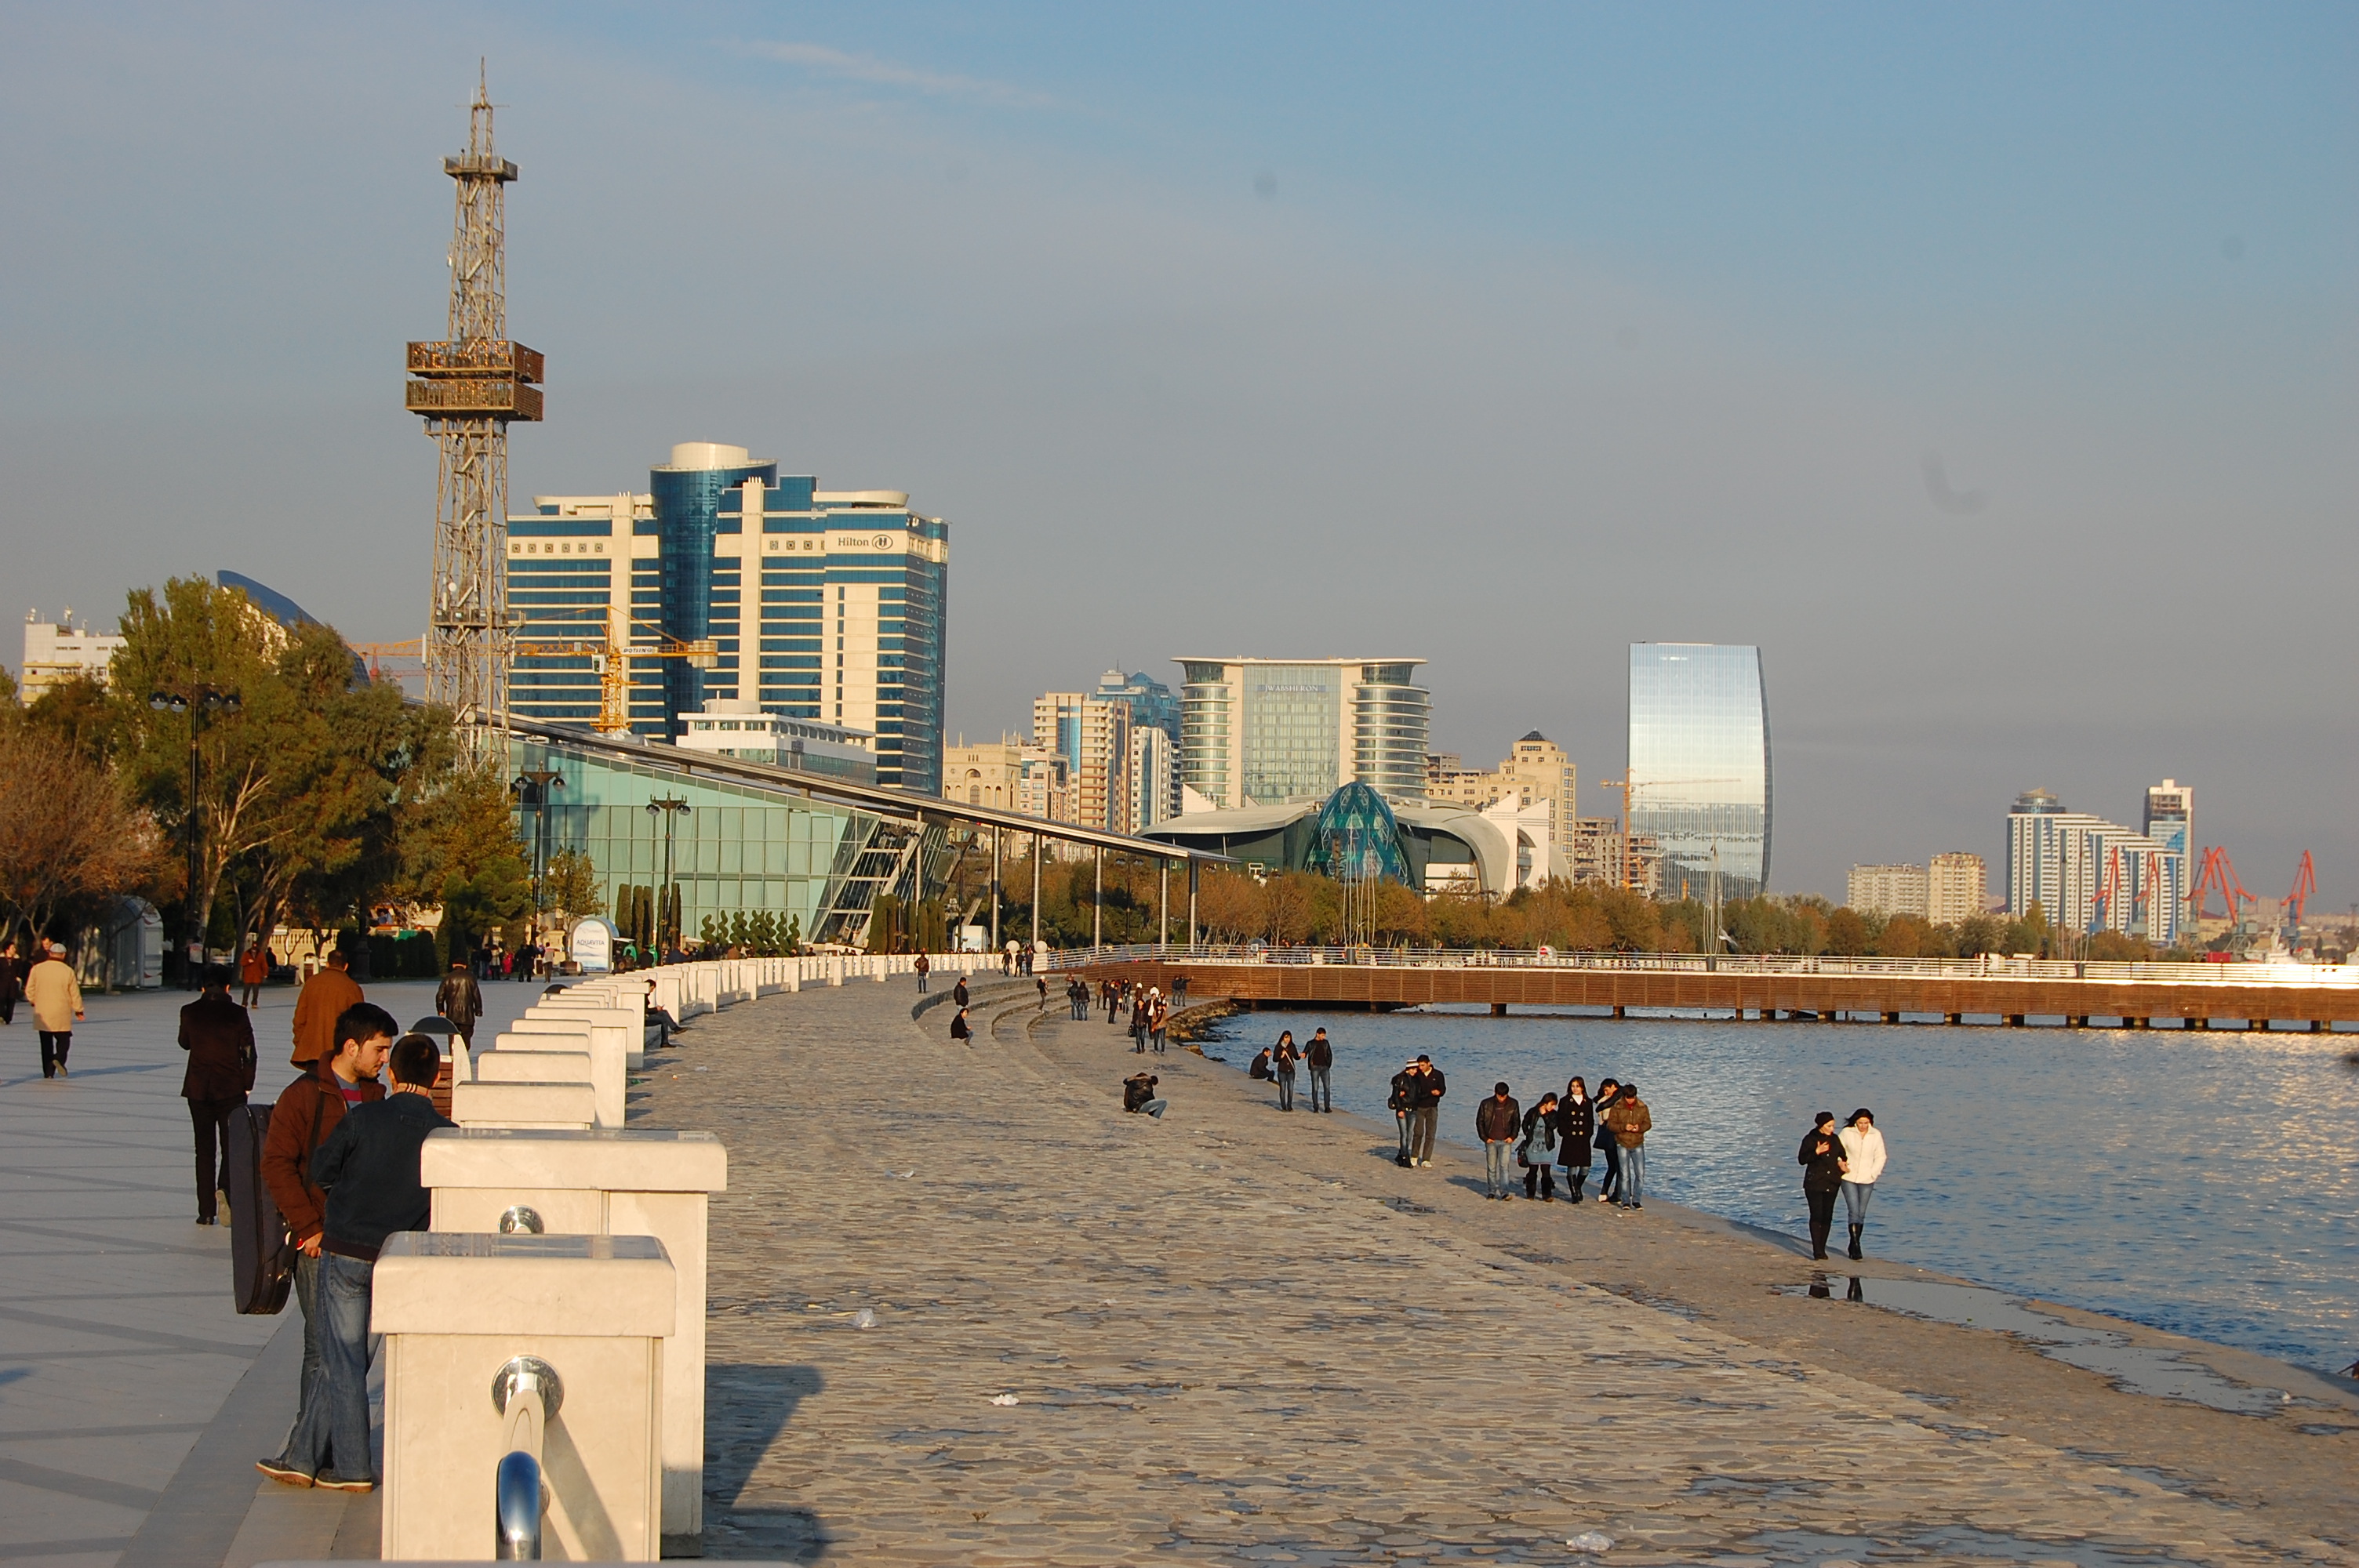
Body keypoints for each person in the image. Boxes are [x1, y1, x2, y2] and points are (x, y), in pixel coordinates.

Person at [274, 1032, 453, 1493]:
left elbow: (320, 1170)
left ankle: (350, 1467)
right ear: (435, 1078)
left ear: (392, 1073)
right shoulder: (447, 1136)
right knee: (351, 1360)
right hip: (399, 1257)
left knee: (342, 1359)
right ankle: (300, 1456)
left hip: (348, 1249)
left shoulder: (363, 1118)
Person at [256, 1001, 394, 1490]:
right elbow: (276, 1164)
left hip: (363, 1240)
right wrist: (309, 1227)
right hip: (320, 1241)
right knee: (322, 1347)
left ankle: (317, 1449)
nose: (384, 1059)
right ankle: (314, 1448)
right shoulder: (304, 1095)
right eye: (379, 1049)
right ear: (351, 1046)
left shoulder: (378, 1094)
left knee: (351, 1349)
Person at [179, 966, 256, 1225]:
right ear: (227, 987)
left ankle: (205, 1210)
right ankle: (225, 1192)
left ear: (203, 987)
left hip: (198, 1088)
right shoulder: (238, 1014)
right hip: (231, 1088)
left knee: (204, 1149)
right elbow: (248, 1052)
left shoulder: (189, 1012)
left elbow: (184, 1042)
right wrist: (247, 1083)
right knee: (231, 1146)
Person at [289, 947, 363, 1069]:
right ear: (346, 966)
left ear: (327, 964)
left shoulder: (312, 983)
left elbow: (300, 1018)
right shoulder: (352, 987)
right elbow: (359, 1023)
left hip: (312, 1051)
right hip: (338, 1053)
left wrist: (300, 1042)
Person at [26, 941, 84, 1079]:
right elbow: (74, 992)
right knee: (64, 1038)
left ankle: (48, 1073)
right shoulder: (68, 971)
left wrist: (34, 1001)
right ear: (63, 955)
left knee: (46, 1043)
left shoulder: (37, 969)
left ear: (50, 954)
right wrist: (79, 1010)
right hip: (61, 1010)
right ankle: (58, 1058)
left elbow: (29, 989)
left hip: (43, 1011)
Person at [1837, 1108, 1888, 1260]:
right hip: (1848, 1176)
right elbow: (1838, 1151)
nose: (1863, 1126)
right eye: (1861, 1123)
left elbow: (1881, 1156)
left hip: (1867, 1178)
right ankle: (1856, 1246)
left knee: (1861, 1213)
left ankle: (1855, 1242)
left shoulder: (1876, 1135)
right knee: (1853, 1211)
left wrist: (1874, 1173)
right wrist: (1841, 1164)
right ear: (1855, 1122)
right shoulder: (1847, 1133)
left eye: (1866, 1123)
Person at [1798, 1111, 1848, 1260]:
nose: (1832, 1129)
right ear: (1821, 1125)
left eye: (1833, 1126)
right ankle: (1817, 1249)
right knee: (1817, 1214)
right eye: (1829, 1126)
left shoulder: (1835, 1139)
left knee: (1827, 1216)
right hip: (1814, 1182)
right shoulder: (1810, 1139)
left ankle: (1822, 1247)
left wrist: (1841, 1163)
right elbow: (1802, 1159)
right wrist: (1817, 1152)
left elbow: (1842, 1154)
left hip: (1832, 1182)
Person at [1603, 1080, 1652, 1208]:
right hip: (1622, 1143)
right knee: (1625, 1174)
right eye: (1628, 1098)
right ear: (1624, 1097)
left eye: (1632, 1097)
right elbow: (1611, 1125)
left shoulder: (1642, 1107)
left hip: (1638, 1143)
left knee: (1640, 1174)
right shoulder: (1617, 1107)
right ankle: (1625, 1200)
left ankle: (1636, 1199)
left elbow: (1648, 1124)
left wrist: (1639, 1128)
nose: (1630, 1100)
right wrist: (1624, 1127)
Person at [1477, 1081, 1521, 1198]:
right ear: (1495, 1093)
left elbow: (1517, 1122)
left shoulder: (1513, 1104)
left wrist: (1513, 1136)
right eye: (1499, 1096)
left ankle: (1504, 1192)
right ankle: (1491, 1191)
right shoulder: (1486, 1104)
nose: (1501, 1098)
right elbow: (1479, 1122)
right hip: (1491, 1140)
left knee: (1504, 1167)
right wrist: (1485, 1138)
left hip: (1506, 1140)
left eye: (1504, 1096)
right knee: (1491, 1167)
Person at [1556, 1076, 1596, 1203]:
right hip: (1570, 1137)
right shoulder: (1565, 1101)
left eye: (1577, 1086)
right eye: (1573, 1086)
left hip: (1583, 1138)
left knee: (1585, 1168)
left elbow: (1590, 1120)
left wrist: (1589, 1133)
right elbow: (1561, 1119)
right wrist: (1564, 1132)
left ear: (1582, 1087)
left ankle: (1577, 1187)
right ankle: (1574, 1194)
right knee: (1572, 1166)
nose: (1575, 1089)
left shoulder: (1588, 1102)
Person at [1405, 1054, 1446, 1167]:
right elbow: (1416, 1092)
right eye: (1419, 1065)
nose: (1421, 1068)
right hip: (1419, 1107)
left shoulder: (1438, 1075)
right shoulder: (1417, 1075)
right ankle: (1414, 1156)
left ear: (1429, 1063)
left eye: (1423, 1065)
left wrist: (1439, 1093)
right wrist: (1429, 1093)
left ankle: (1426, 1159)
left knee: (1430, 1134)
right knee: (1418, 1133)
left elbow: (1443, 1089)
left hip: (1433, 1107)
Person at [1520, 1091, 1561, 1200]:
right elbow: (1525, 1123)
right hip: (1533, 1145)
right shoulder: (1533, 1112)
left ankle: (1547, 1195)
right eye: (1552, 1104)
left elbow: (1553, 1126)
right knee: (1533, 1170)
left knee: (1546, 1170)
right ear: (1545, 1102)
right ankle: (1530, 1194)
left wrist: (1545, 1115)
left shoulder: (1553, 1114)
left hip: (1547, 1145)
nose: (1553, 1107)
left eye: (1554, 1105)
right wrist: (1528, 1133)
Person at [434, 960, 484, 1047]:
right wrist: (478, 1010)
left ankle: (453, 1053)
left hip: (452, 1013)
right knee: (467, 1035)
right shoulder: (471, 977)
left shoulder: (448, 977)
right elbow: (476, 995)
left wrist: (440, 1009)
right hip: (467, 1014)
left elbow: (440, 996)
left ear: (453, 965)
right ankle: (464, 1051)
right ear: (465, 966)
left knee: (452, 1035)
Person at [1591, 1078, 1624, 1202]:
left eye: (1607, 1090)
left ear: (1613, 1087)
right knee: (1618, 1165)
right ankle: (1617, 1193)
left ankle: (1608, 1192)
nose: (1606, 1093)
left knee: (1614, 1166)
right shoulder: (1615, 1099)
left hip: (1607, 1135)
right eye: (1604, 1090)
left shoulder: (1614, 1098)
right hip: (1612, 1135)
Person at [1387, 1059, 1418, 1165]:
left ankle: (1401, 1154)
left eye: (1416, 1069)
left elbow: (1418, 1095)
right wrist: (1399, 1109)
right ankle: (1405, 1157)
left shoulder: (1417, 1080)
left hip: (1413, 1110)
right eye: (1413, 1069)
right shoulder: (1399, 1080)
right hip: (1403, 1109)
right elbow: (1395, 1096)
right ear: (1408, 1069)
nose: (1415, 1071)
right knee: (1404, 1134)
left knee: (1410, 1134)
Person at [1304, 1027, 1333, 1112]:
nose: (1323, 1037)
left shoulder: (1326, 1043)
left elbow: (1330, 1054)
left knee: (1327, 1088)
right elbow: (1305, 1052)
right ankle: (1316, 1107)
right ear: (1318, 1034)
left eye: (1324, 1035)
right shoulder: (1310, 1043)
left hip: (1325, 1068)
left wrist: (1328, 1065)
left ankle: (1327, 1107)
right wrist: (1303, 1054)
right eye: (1322, 1035)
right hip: (1315, 1068)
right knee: (1315, 1088)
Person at [1271, 1030, 1301, 1111]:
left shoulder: (1292, 1046)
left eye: (1289, 1037)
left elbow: (1296, 1057)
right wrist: (1281, 1055)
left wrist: (1300, 1056)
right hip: (1282, 1070)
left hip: (1291, 1070)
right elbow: (1275, 1059)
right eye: (1286, 1037)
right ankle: (1283, 1106)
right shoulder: (1278, 1047)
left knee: (1290, 1089)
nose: (1287, 1039)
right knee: (1283, 1089)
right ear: (1283, 1038)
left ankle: (1289, 1105)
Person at [238, 936, 271, 1009]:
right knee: (246, 991)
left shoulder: (260, 954)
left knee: (256, 992)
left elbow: (264, 964)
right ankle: (244, 1003)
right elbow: (242, 962)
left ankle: (254, 1003)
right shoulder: (246, 954)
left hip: (257, 976)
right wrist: (248, 962)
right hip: (248, 976)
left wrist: (265, 973)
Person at [0, 937, 22, 1025]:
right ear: (7, 949)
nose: (14, 950)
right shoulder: (1, 960)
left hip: (13, 984)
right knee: (1, 1001)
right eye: (12, 948)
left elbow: (20, 971)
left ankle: (8, 1018)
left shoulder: (17, 960)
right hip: (2, 984)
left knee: (11, 1001)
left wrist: (19, 977)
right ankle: (1, 1016)